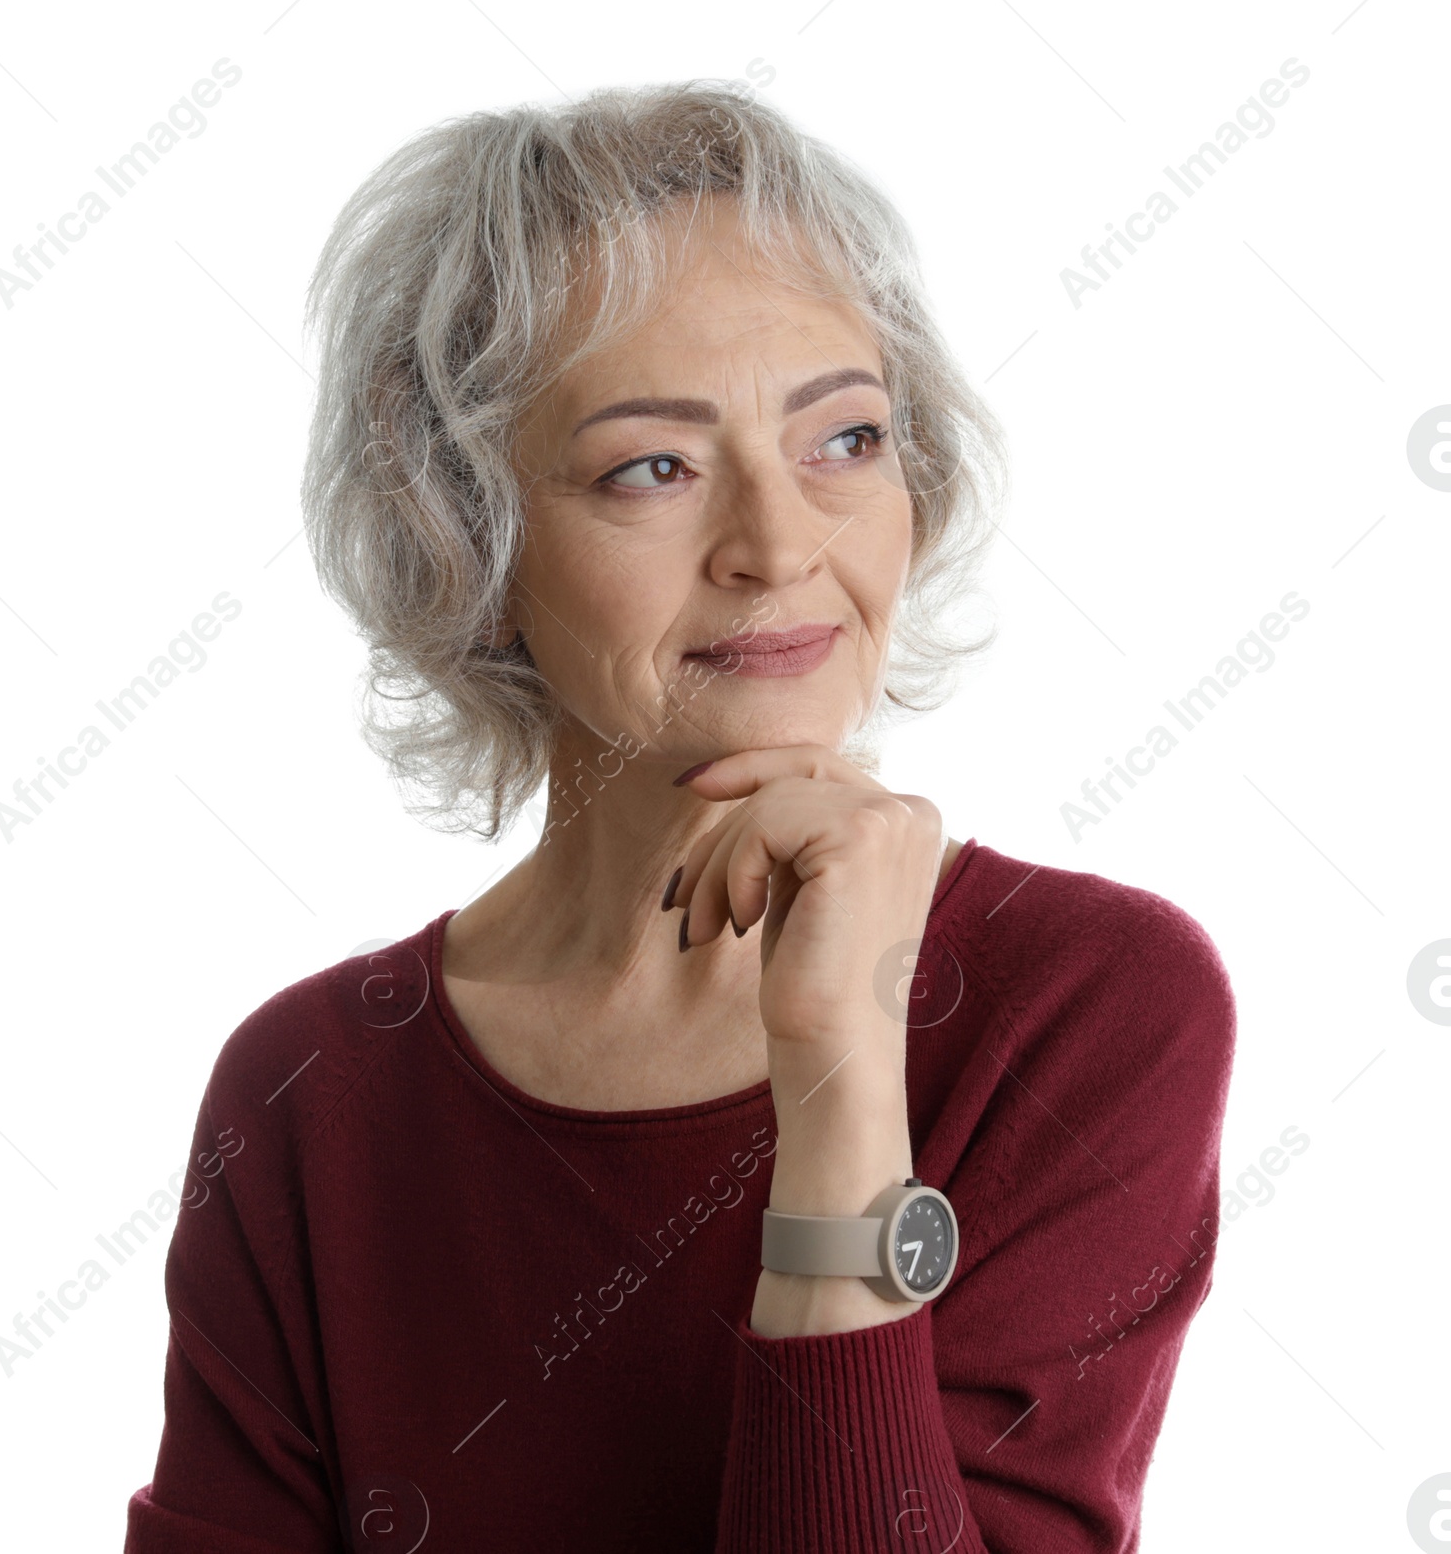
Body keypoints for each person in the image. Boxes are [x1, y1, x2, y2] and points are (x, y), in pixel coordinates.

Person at [123, 82, 1235, 1552]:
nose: (779, 543)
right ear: (466, 533)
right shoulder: (311, 1090)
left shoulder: (1088, 1005)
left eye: (844, 439)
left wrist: (841, 1070)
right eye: (655, 465)